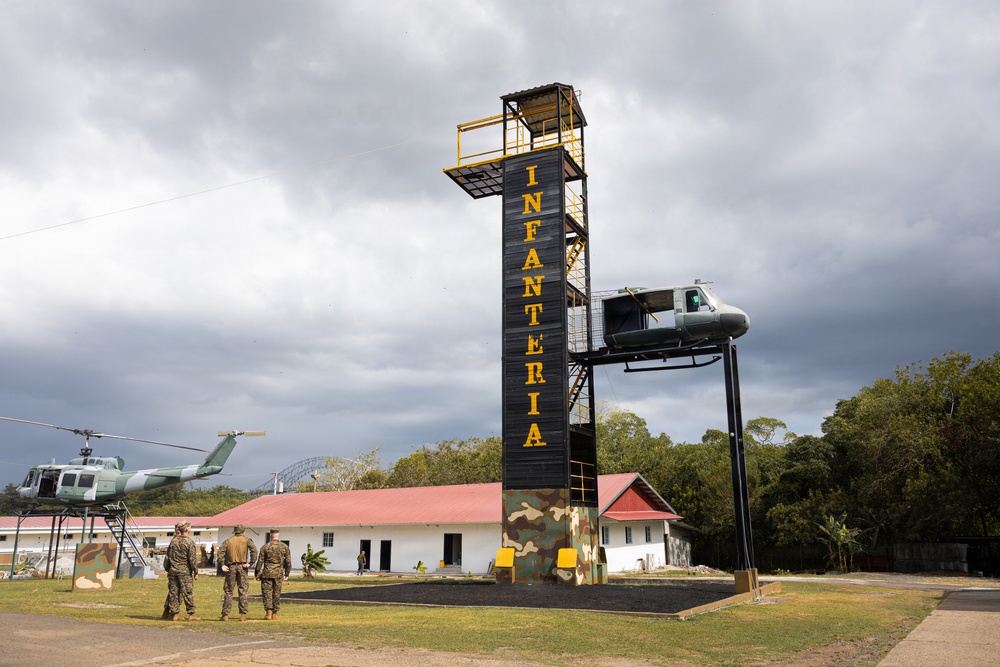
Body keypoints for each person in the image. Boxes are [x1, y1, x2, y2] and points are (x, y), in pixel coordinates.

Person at [219, 524, 258, 622]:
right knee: (243, 590)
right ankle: (243, 614)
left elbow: (220, 552)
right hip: (242, 567)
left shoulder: (228, 541)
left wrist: (222, 564)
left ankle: (225, 614)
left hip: (231, 567)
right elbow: (254, 551)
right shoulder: (247, 540)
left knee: (228, 591)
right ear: (243, 532)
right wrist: (250, 563)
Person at [164, 521, 199, 621]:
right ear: (187, 530)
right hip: (185, 572)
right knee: (187, 592)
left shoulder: (173, 541)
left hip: (173, 571)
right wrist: (196, 572)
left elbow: (167, 557)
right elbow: (192, 559)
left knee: (174, 593)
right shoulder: (189, 542)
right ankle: (191, 614)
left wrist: (168, 569)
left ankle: (175, 613)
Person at [255, 529, 291, 620]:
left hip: (267, 573)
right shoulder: (284, 547)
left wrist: (257, 573)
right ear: (278, 535)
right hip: (278, 573)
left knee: (267, 593)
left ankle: (268, 613)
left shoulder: (265, 547)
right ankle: (275, 613)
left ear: (271, 535)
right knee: (277, 593)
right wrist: (287, 573)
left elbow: (259, 562)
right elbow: (288, 562)